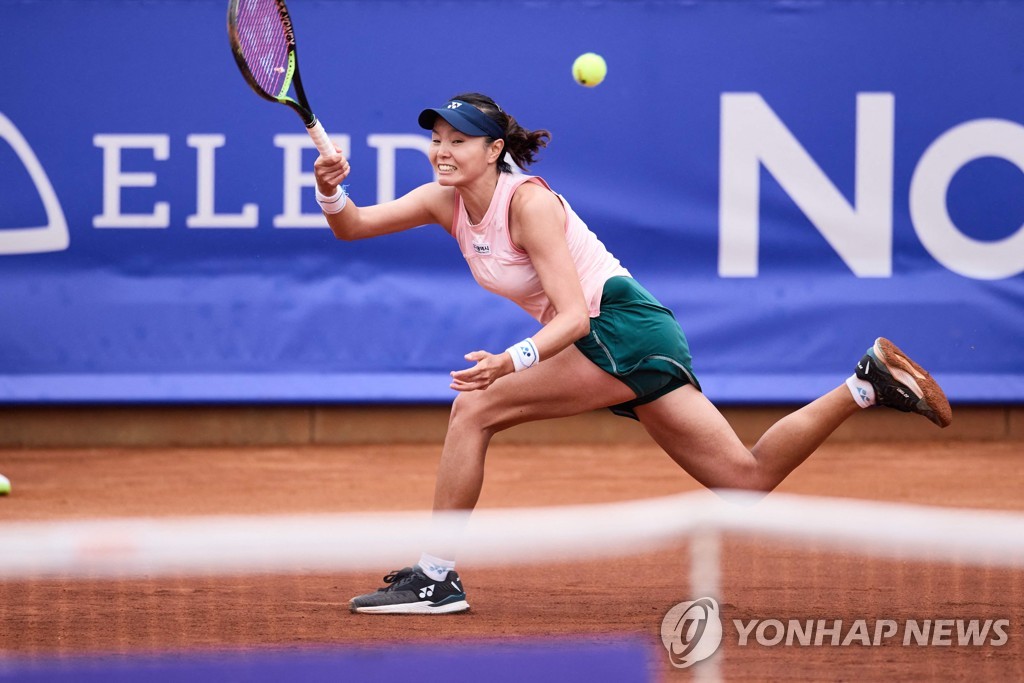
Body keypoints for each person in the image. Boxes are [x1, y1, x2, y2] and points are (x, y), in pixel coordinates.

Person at [312, 92, 952, 615]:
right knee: (743, 480)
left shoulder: (528, 203)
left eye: (459, 140)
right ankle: (865, 384)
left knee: (474, 411)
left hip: (620, 328)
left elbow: (571, 316)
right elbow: (354, 226)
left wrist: (510, 362)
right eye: (438, 139)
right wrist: (331, 189)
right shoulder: (443, 202)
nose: (442, 151)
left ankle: (436, 578)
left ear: (494, 150)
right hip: (632, 338)